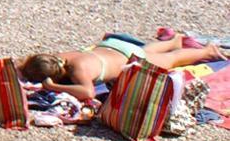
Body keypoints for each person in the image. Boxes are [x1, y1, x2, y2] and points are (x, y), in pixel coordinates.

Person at [20, 34, 226, 103]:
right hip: (113, 47)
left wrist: (54, 87)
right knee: (145, 51)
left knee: (171, 60)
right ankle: (173, 40)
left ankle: (206, 51)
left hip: (128, 58)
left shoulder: (77, 70)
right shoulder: (59, 58)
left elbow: (87, 92)